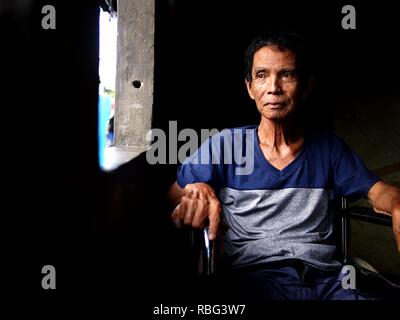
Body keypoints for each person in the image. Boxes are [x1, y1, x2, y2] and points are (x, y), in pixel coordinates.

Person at [167, 30, 400, 300]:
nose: (273, 88)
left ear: (306, 85)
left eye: (287, 75)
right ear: (249, 87)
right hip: (253, 279)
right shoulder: (226, 144)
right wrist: (196, 188)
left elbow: (379, 190)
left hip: (327, 281)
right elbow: (174, 194)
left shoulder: (329, 149)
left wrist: (396, 203)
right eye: (262, 75)